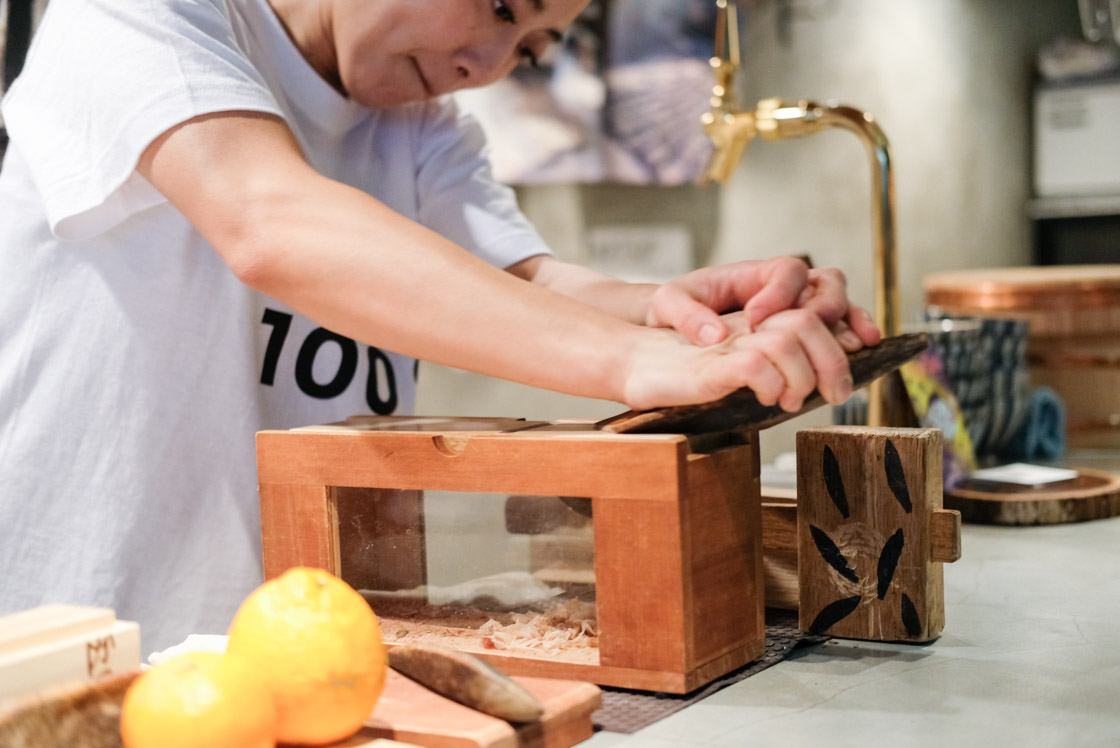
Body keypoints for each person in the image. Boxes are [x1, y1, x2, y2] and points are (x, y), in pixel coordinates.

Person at [0, 0, 880, 653]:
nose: (489, 65)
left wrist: (693, 322)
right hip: (78, 633)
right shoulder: (145, 13)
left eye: (531, 47)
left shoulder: (420, 127)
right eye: (499, 6)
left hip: (298, 650)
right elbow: (267, 220)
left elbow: (530, 283)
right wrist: (636, 357)